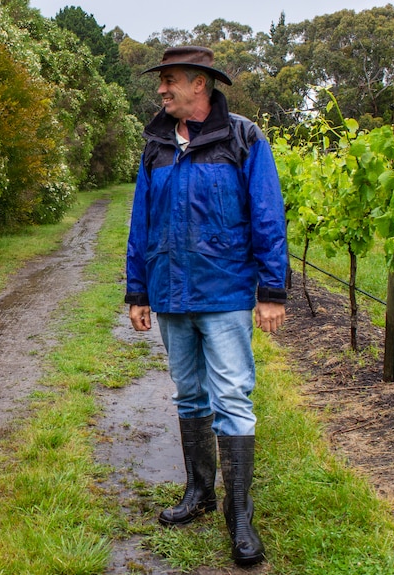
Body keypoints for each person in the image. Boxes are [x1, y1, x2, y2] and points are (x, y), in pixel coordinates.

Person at [125, 46, 287, 567]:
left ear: (200, 84)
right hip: (171, 294)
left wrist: (271, 290)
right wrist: (138, 291)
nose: (161, 89)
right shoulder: (155, 145)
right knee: (189, 395)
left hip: (224, 293)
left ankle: (239, 517)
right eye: (162, 81)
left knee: (233, 398)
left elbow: (266, 215)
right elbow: (141, 223)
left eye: (169, 79)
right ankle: (198, 493)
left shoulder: (243, 138)